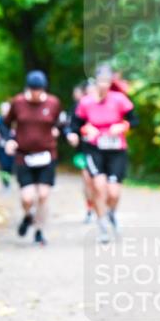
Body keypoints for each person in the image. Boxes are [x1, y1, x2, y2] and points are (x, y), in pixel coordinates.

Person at [68, 65, 136, 244]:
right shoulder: (86, 102)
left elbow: (134, 120)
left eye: (107, 81)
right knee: (99, 187)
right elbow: (75, 125)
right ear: (96, 81)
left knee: (113, 193)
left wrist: (123, 126)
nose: (104, 85)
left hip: (116, 150)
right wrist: (82, 130)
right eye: (101, 81)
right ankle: (102, 225)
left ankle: (110, 213)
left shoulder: (119, 99)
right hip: (94, 149)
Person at [3, 70, 62, 247]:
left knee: (43, 195)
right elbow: (5, 125)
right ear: (28, 88)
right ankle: (28, 216)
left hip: (46, 155)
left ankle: (39, 231)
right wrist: (10, 141)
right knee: (27, 198)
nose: (36, 93)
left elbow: (61, 123)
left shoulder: (53, 103)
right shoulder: (18, 102)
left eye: (39, 90)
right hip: (24, 157)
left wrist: (60, 131)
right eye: (33, 89)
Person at [69, 81, 97, 222]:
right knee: (87, 180)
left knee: (99, 182)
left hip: (102, 151)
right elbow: (71, 127)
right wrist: (73, 135)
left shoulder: (104, 106)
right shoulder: (79, 107)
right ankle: (89, 208)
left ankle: (101, 206)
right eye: (89, 92)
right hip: (83, 150)